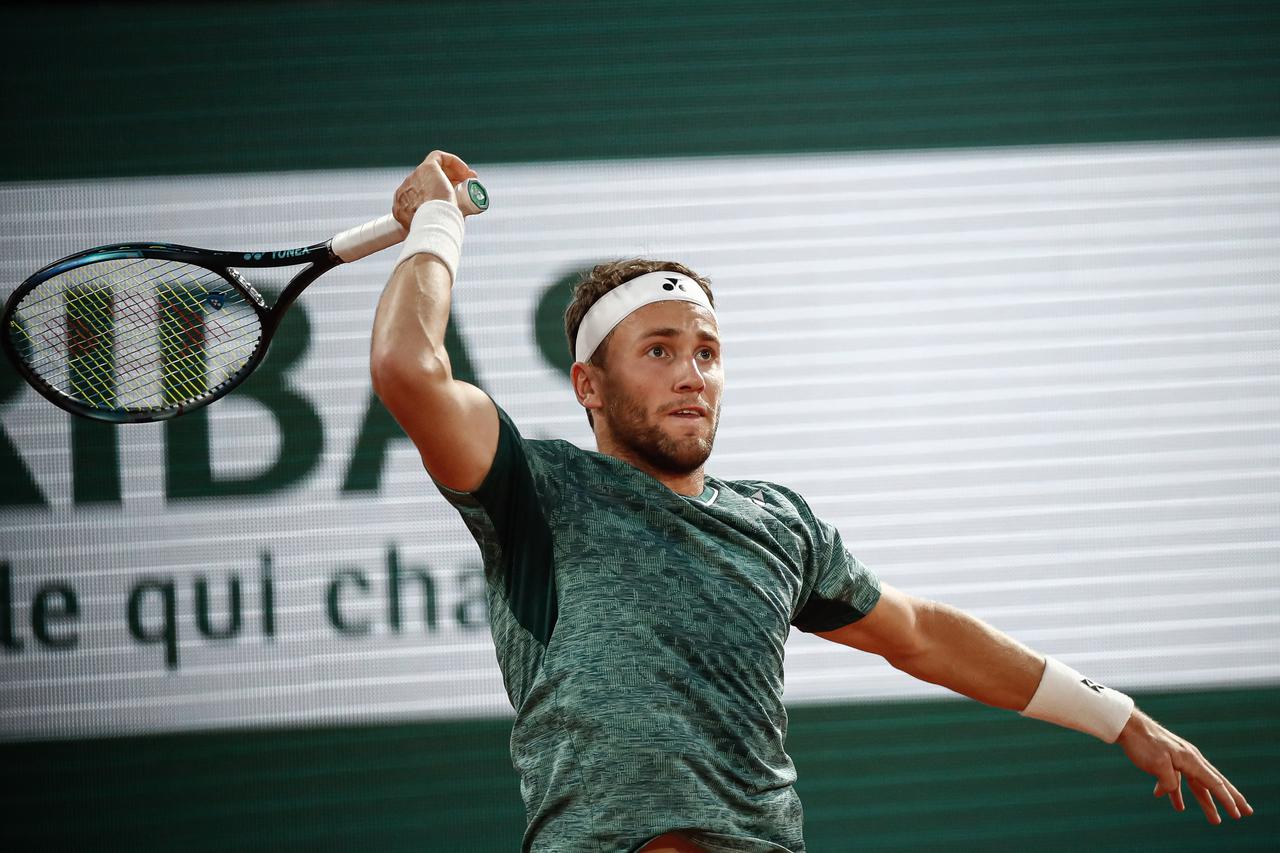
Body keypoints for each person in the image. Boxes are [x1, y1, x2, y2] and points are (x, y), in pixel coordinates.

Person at [369, 151, 1254, 853]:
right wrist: (436, 225)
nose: (691, 373)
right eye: (661, 349)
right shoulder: (538, 490)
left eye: (708, 352)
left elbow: (924, 635)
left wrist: (1119, 716)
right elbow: (410, 369)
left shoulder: (778, 524)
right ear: (588, 385)